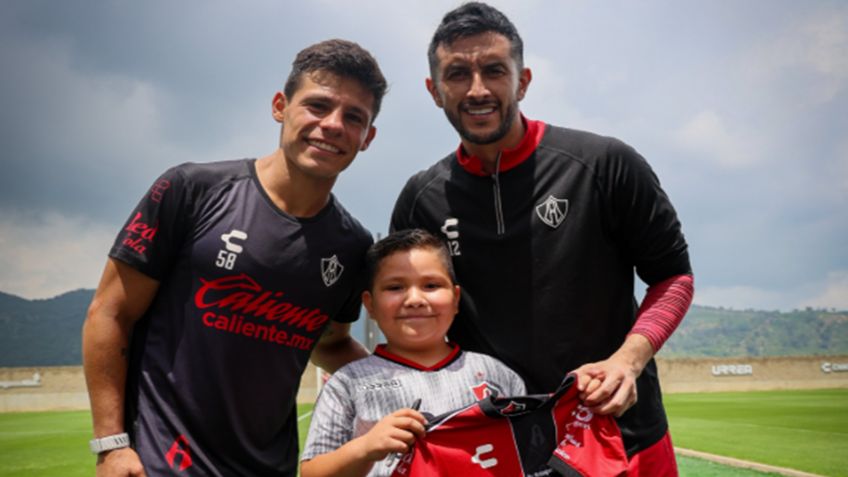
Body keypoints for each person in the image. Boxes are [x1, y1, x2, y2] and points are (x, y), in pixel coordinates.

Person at [390, 3, 695, 475]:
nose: (477, 89)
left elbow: (673, 277)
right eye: (457, 74)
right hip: (494, 451)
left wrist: (627, 363)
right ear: (433, 90)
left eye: (494, 70)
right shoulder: (421, 199)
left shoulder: (604, 164)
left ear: (523, 80)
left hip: (621, 436)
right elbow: (409, 316)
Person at [82, 39, 386, 476]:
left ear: (368, 136)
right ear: (280, 106)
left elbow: (331, 341)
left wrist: (410, 376)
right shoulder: (191, 189)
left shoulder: (352, 245)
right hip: (160, 466)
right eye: (318, 106)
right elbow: (109, 312)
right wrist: (111, 445)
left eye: (354, 117)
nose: (333, 125)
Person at [299, 228, 526, 477]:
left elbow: (525, 460)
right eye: (395, 287)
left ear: (456, 298)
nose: (414, 299)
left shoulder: (498, 376)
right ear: (370, 305)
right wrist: (365, 447)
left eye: (431, 285)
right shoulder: (347, 384)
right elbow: (311, 472)